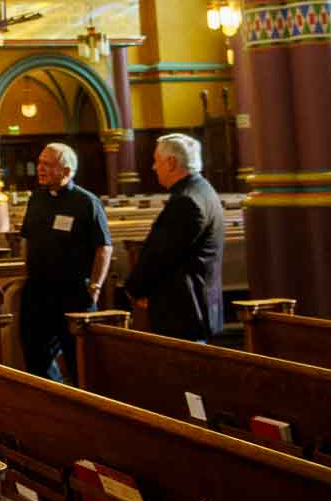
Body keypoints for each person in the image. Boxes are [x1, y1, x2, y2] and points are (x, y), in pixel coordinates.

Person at [17, 142, 112, 381]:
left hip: (73, 293)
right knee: (35, 354)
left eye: (47, 164)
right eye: (40, 163)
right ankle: (53, 400)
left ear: (67, 171)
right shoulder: (36, 198)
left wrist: (95, 287)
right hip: (38, 292)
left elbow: (104, 247)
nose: (40, 168)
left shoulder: (87, 202)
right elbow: (26, 238)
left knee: (78, 359)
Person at [125, 133, 224, 341]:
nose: (154, 167)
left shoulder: (187, 201)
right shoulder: (202, 190)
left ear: (171, 162)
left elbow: (162, 254)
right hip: (193, 304)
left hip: (184, 309)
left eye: (156, 161)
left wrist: (136, 288)